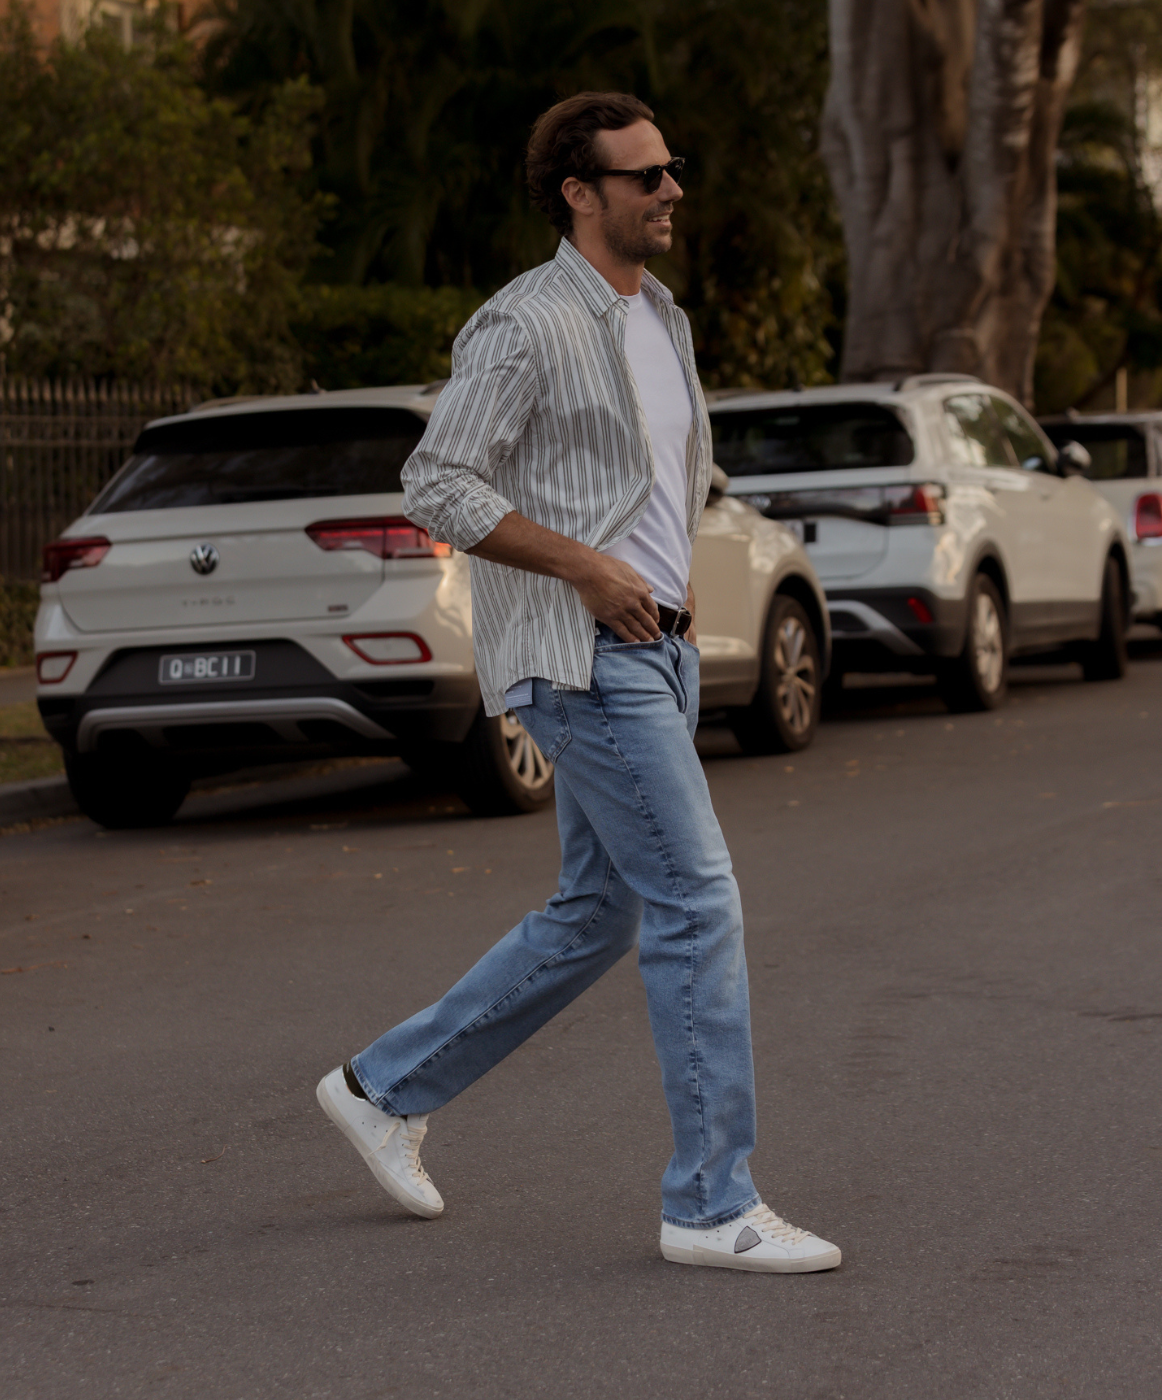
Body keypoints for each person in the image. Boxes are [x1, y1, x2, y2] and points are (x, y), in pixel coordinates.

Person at [316, 91, 841, 1274]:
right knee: (699, 899)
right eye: (646, 174)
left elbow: (660, 478)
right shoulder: (522, 322)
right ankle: (711, 1202)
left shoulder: (663, 315)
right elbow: (439, 481)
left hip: (654, 648)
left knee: (601, 909)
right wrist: (592, 570)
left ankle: (383, 1086)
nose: (671, 190)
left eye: (674, 168)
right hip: (576, 654)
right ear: (579, 191)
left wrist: (668, 580)